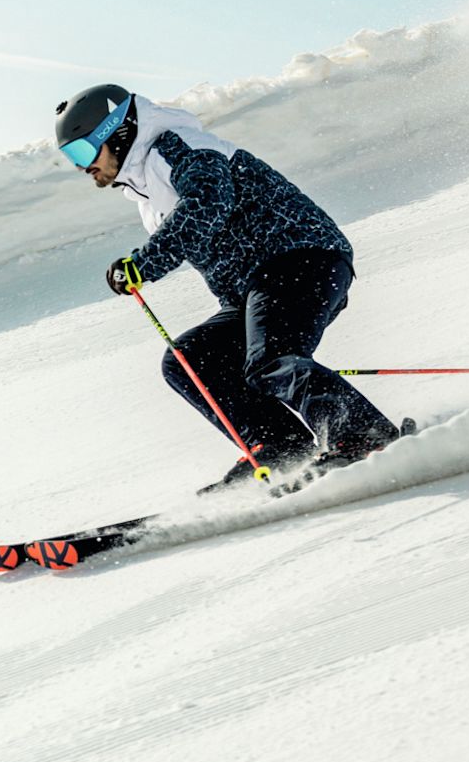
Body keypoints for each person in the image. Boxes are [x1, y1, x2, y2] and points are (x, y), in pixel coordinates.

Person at [54, 84, 403, 490]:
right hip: (251, 288)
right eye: (70, 158)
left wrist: (145, 263)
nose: (82, 168)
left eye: (82, 152)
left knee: (272, 358)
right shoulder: (146, 188)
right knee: (191, 360)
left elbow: (207, 203)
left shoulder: (176, 147)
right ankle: (281, 446)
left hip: (300, 256)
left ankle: (364, 437)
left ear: (117, 132)